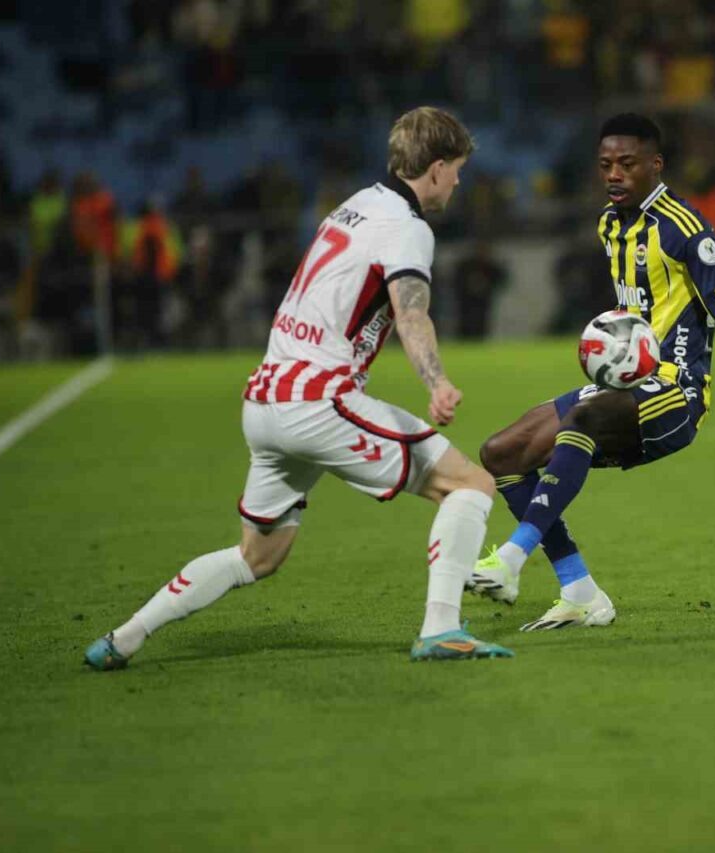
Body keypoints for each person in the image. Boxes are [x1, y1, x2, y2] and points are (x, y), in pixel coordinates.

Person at [84, 107, 513, 668]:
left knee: (257, 556)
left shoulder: (354, 205)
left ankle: (123, 638)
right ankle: (441, 630)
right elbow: (411, 312)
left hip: (265, 400)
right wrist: (437, 381)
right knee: (469, 484)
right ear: (436, 168)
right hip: (318, 402)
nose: (457, 182)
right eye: (457, 170)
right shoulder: (408, 229)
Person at [469, 113, 715, 631]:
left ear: (655, 165)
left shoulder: (684, 231)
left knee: (584, 419)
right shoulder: (609, 223)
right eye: (605, 165)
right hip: (627, 383)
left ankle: (510, 559)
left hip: (677, 393)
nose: (614, 174)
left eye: (627, 164)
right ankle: (580, 592)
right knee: (501, 452)